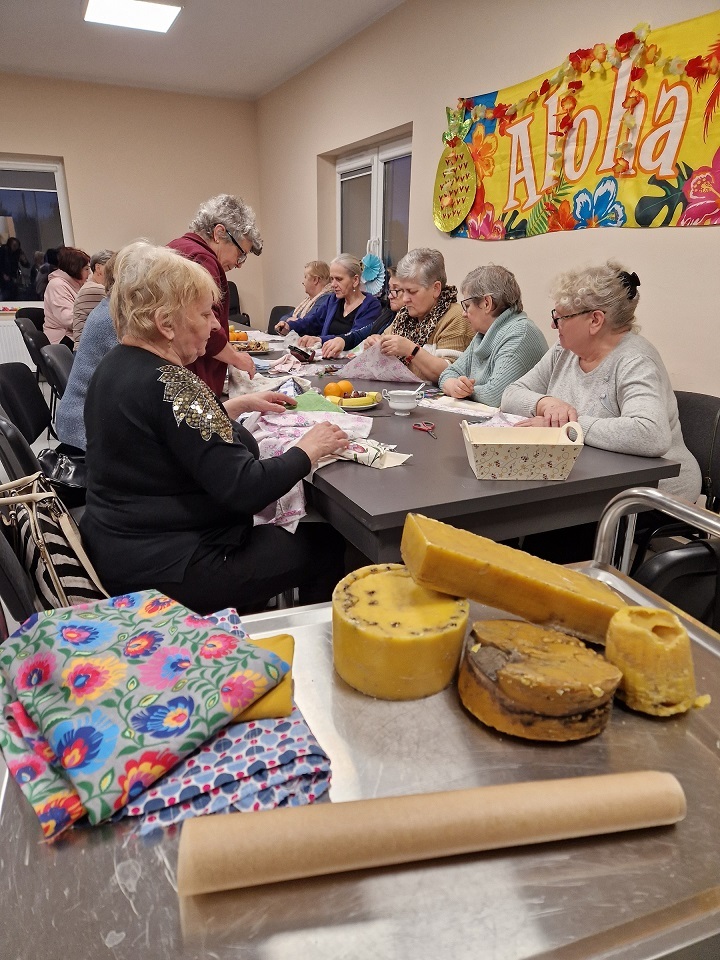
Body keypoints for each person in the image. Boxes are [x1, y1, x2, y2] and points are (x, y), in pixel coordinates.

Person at [81, 241, 349, 614]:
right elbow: (246, 488)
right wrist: (307, 449)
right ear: (166, 324)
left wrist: (230, 407)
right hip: (176, 567)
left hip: (122, 550)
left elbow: (165, 437)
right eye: (206, 313)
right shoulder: (175, 384)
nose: (214, 325)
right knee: (331, 543)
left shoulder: (115, 365)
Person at [501, 261, 701, 561]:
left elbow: (651, 434)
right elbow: (510, 394)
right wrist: (548, 404)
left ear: (595, 320)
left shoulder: (634, 361)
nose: (554, 325)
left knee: (558, 526)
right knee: (525, 512)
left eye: (561, 317)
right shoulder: (563, 352)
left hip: (652, 489)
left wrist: (570, 425)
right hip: (584, 477)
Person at [168, 194, 261, 395]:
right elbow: (203, 327)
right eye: (240, 254)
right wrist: (238, 359)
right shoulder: (203, 259)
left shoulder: (178, 247)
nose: (238, 264)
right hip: (194, 378)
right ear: (219, 233)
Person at [438, 265, 548, 406]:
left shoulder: (520, 333)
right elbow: (448, 373)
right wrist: (454, 385)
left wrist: (465, 391)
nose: (463, 314)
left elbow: (495, 396)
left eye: (467, 306)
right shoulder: (484, 334)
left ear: (487, 303)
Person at [364, 248, 472, 382]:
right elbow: (384, 344)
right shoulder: (405, 314)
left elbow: (450, 373)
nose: (405, 299)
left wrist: (411, 350)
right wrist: (375, 345)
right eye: (403, 291)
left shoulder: (456, 317)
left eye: (412, 291)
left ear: (436, 289)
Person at [275, 254, 381, 358]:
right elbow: (313, 322)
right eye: (332, 279)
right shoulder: (333, 299)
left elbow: (356, 337)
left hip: (350, 362)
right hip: (327, 360)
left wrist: (320, 340)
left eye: (339, 279)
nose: (333, 284)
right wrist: (290, 326)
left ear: (355, 280)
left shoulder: (371, 306)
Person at [43, 246, 90, 346]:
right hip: (63, 341)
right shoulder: (57, 285)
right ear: (75, 269)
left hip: (74, 336)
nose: (89, 273)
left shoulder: (76, 284)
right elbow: (69, 320)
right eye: (86, 269)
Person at [72, 248, 113, 347]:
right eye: (111, 267)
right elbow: (122, 305)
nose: (114, 273)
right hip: (88, 352)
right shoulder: (93, 289)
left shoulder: (91, 285)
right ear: (98, 268)